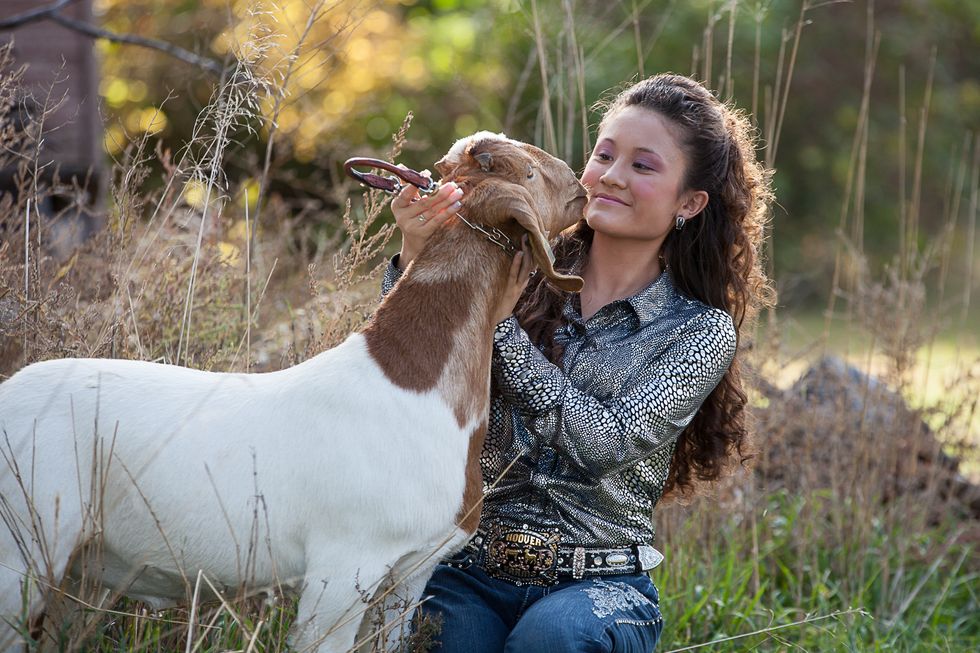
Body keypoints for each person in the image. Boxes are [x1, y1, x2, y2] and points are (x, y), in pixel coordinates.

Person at [382, 73, 774, 653]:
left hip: (600, 587)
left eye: (643, 166)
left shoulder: (699, 330)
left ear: (689, 203)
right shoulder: (517, 261)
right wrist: (420, 259)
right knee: (445, 637)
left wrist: (498, 325)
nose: (611, 176)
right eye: (604, 154)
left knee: (552, 636)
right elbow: (409, 374)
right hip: (469, 568)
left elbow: (606, 443)